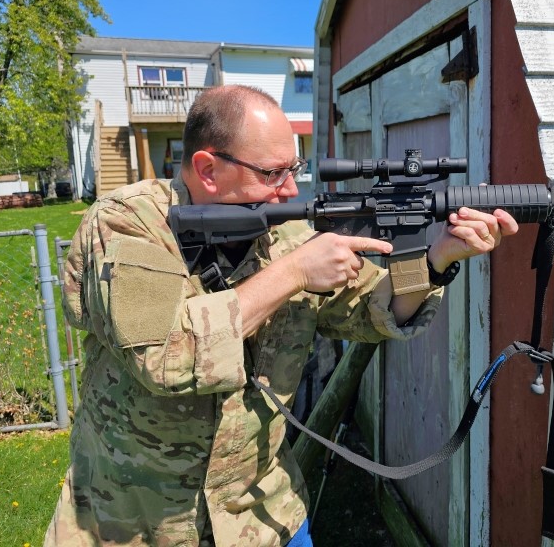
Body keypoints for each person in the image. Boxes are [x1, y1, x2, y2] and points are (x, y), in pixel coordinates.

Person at [44, 85, 517, 546]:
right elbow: (167, 355)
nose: (290, 188)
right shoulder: (125, 225)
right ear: (208, 169)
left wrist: (435, 258)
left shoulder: (284, 233)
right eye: (272, 173)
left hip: (262, 519)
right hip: (133, 524)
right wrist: (294, 273)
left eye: (294, 169)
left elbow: (373, 310)